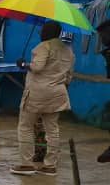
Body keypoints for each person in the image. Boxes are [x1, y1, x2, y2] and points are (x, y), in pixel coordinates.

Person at [11, 22, 75, 176]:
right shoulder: (68, 51)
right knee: (52, 129)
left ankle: (26, 164)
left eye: (42, 30)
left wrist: (23, 64)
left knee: (25, 126)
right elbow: (68, 77)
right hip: (57, 93)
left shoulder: (44, 46)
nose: (39, 33)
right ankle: (50, 166)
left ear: (48, 32)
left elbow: (37, 67)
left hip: (37, 93)